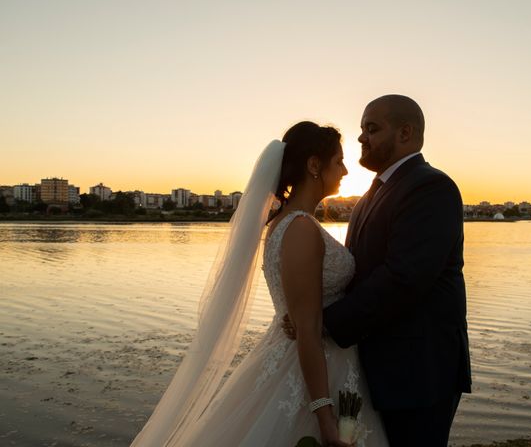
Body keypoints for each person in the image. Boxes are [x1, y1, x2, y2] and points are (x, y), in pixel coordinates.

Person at [131, 121, 389, 446]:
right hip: (308, 366)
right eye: (338, 161)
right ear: (313, 165)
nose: (346, 170)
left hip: (323, 357)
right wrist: (324, 415)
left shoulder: (289, 223)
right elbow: (306, 328)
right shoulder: (299, 229)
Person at [284, 95, 471, 446]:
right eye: (362, 129)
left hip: (419, 370)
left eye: (372, 128)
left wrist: (322, 322)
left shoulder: (431, 187)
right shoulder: (371, 196)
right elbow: (357, 274)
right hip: (374, 367)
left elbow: (404, 278)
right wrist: (303, 312)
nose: (361, 138)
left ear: (405, 133)